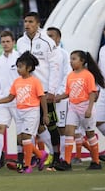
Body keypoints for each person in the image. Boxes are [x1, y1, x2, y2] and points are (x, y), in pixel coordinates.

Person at [16, 12, 61, 169]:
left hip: (45, 90)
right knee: (39, 126)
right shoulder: (21, 42)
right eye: (25, 21)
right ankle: (47, 155)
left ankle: (57, 156)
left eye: (30, 21)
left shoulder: (47, 42)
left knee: (51, 124)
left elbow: (55, 67)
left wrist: (52, 90)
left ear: (38, 24)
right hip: (28, 91)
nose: (27, 24)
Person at [0, 51, 49, 173]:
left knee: (26, 138)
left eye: (20, 67)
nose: (18, 69)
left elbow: (42, 97)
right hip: (19, 111)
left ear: (29, 68)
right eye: (17, 67)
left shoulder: (35, 81)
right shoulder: (17, 81)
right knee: (20, 139)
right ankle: (40, 155)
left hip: (32, 111)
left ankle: (27, 166)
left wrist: (45, 114)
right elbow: (11, 97)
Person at [55, 51, 104, 171]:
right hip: (73, 107)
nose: (71, 61)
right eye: (71, 59)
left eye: (74, 59)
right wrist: (58, 97)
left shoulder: (88, 75)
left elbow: (92, 93)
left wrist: (89, 108)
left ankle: (96, 161)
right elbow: (68, 93)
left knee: (90, 134)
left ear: (82, 61)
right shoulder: (70, 75)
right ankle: (66, 162)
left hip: (85, 106)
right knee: (68, 132)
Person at [0, 30, 19, 168]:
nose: (5, 44)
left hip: (19, 100)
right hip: (3, 101)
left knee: (22, 132)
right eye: (3, 41)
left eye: (8, 41)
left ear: (13, 42)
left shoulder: (19, 58)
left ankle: (24, 159)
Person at [46, 27, 72, 166]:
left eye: (52, 36)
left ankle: (62, 157)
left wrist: (59, 94)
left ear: (58, 38)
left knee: (61, 127)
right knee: (47, 125)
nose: (49, 39)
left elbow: (66, 75)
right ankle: (53, 153)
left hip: (60, 96)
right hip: (46, 95)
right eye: (47, 36)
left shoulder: (63, 54)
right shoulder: (45, 54)